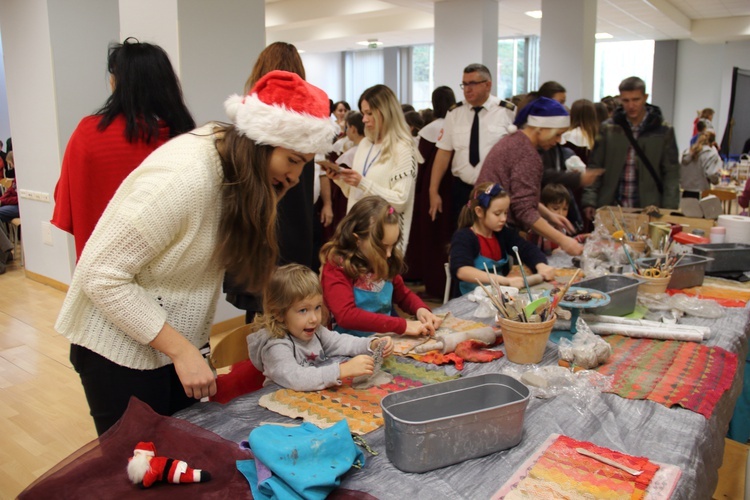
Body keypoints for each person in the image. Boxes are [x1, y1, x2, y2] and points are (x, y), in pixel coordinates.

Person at [54, 70, 336, 435]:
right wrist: (182, 352)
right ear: (261, 142)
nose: (297, 177)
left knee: (181, 453)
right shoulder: (182, 179)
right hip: (117, 349)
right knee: (137, 471)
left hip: (171, 343)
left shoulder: (234, 169)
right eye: (294, 161)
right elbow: (100, 275)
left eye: (305, 164)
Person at [51, 38, 195, 260]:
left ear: (117, 82)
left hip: (104, 266)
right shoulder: (184, 136)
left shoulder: (89, 133)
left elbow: (66, 201)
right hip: (169, 271)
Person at [224, 41, 319, 323]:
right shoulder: (308, 127)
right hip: (297, 231)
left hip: (260, 230)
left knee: (261, 315)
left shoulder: (253, 130)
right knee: (294, 310)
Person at [247, 264, 394, 391]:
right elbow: (296, 378)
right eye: (303, 310)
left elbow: (340, 342)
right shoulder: (276, 345)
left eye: (317, 307)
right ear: (279, 314)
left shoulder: (314, 330)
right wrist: (341, 370)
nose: (314, 318)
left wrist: (371, 344)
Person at [320, 196, 442, 337]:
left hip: (383, 340)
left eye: (392, 245)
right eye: (383, 247)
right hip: (348, 347)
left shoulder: (383, 259)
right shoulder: (337, 266)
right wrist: (401, 325)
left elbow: (403, 295)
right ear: (357, 240)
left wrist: (421, 309)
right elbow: (346, 316)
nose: (389, 254)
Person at [477, 97, 584, 256]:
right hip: (495, 230)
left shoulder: (514, 141)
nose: (558, 141)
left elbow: (516, 194)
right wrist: (564, 240)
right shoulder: (527, 154)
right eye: (557, 134)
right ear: (541, 129)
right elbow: (524, 210)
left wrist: (549, 215)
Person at [324, 84, 420, 253]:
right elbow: (355, 193)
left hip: (384, 241)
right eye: (363, 113)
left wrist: (363, 183)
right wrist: (341, 180)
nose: (364, 119)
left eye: (369, 113)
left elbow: (399, 201)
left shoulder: (403, 148)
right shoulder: (365, 144)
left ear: (385, 112)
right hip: (358, 233)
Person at [428, 64, 516, 225]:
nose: (467, 89)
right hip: (463, 190)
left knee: (496, 240)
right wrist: (433, 191)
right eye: (464, 84)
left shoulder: (506, 112)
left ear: (488, 85)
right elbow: (443, 153)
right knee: (464, 237)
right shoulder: (455, 113)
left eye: (472, 84)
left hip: (496, 190)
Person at [582, 76, 680, 217]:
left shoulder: (663, 130)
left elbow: (671, 173)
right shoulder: (608, 129)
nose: (631, 105)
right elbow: (595, 165)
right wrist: (589, 200)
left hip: (649, 207)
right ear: (620, 99)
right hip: (612, 205)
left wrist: (669, 209)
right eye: (626, 100)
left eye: (636, 99)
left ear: (645, 98)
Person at [450, 183, 553, 295]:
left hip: (498, 295)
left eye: (505, 213)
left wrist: (541, 265)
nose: (503, 219)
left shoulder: (502, 233)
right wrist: (505, 280)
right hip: (469, 298)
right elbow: (462, 270)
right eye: (497, 213)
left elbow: (526, 248)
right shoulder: (464, 237)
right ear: (479, 212)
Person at [405, 86, 457, 298]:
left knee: (433, 239)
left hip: (432, 188)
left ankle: (435, 286)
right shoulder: (455, 124)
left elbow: (421, 162)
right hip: (452, 186)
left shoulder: (429, 130)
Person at [680, 131, 722, 198]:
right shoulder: (711, 154)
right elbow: (711, 173)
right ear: (713, 143)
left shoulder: (687, 152)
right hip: (702, 192)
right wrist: (716, 180)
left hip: (685, 192)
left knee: (687, 208)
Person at [0, 151, 19, 223]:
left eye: (10, 164)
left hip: (19, 206)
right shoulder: (16, 178)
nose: (11, 166)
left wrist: (3, 201)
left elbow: (18, 199)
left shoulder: (21, 178)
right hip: (13, 204)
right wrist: (1, 200)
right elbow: (10, 191)